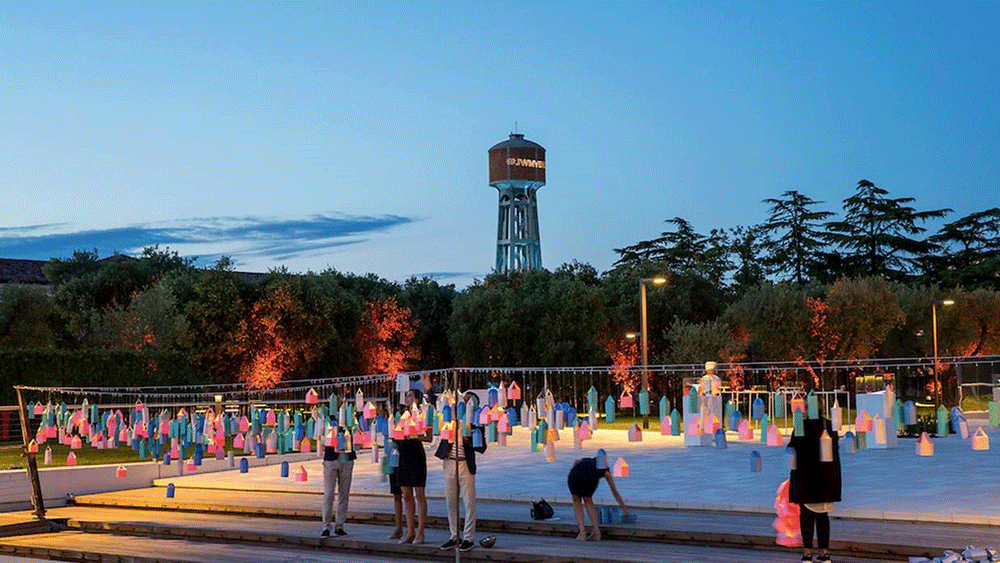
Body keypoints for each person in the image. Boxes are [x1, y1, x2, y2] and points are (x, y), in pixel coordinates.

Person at [434, 392, 488, 552]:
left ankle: (468, 537)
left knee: (469, 502)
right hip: (449, 462)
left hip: (465, 464)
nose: (464, 403)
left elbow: (482, 447)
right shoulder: (450, 417)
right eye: (463, 400)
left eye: (468, 401)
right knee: (451, 502)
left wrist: (468, 439)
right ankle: (454, 535)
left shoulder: (475, 421)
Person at [787, 416, 841, 563]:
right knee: (823, 516)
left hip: (806, 478)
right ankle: (824, 553)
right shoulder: (828, 425)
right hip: (825, 479)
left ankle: (808, 552)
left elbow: (793, 448)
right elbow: (835, 450)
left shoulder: (801, 425)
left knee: (806, 517)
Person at [396, 374, 435, 545]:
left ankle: (421, 532)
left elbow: (429, 438)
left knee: (419, 493)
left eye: (410, 395)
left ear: (417, 399)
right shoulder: (401, 415)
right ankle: (409, 530)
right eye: (406, 396)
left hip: (416, 454)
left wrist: (415, 436)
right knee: (406, 494)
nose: (407, 398)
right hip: (403, 454)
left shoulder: (423, 415)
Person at [566, 449, 628, 541]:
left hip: (574, 475)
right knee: (588, 500)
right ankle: (596, 532)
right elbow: (615, 492)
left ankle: (582, 533)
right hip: (585, 478)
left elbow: (576, 462)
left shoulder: (588, 460)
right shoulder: (605, 471)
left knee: (577, 500)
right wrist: (624, 509)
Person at [321, 395, 356, 538]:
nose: (339, 401)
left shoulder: (349, 414)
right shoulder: (326, 417)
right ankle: (326, 526)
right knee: (329, 494)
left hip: (347, 457)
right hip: (331, 458)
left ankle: (340, 525)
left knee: (344, 493)